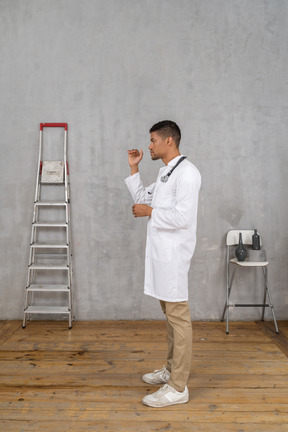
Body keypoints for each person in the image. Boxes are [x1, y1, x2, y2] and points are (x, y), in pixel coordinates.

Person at [125, 120, 201, 408]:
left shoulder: (188, 174)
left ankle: (178, 387)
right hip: (161, 257)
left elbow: (182, 218)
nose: (149, 145)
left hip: (174, 257)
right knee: (170, 318)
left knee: (179, 320)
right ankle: (171, 369)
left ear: (169, 141)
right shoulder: (167, 173)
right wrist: (134, 168)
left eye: (153, 140)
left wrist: (149, 211)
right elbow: (143, 199)